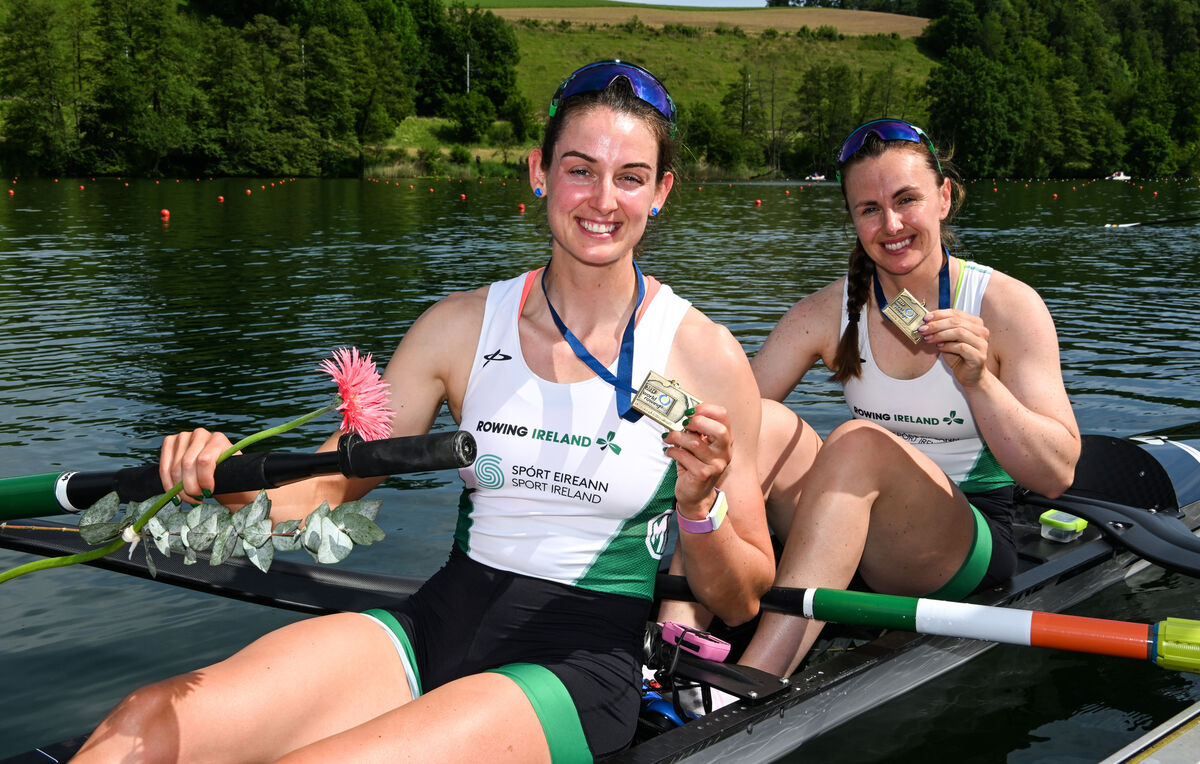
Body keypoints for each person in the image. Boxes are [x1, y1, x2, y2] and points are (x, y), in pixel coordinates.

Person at [73, 61, 775, 763]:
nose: (602, 199)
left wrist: (699, 503)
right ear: (539, 172)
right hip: (441, 619)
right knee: (145, 726)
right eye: (579, 169)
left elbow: (741, 598)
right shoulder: (458, 327)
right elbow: (329, 484)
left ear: (661, 192)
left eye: (630, 177)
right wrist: (223, 475)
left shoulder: (703, 354)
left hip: (578, 667)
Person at [736, 118, 1081, 678]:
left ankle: (752, 681)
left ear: (943, 198)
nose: (890, 225)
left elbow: (1057, 475)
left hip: (964, 537)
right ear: (852, 219)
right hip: (856, 526)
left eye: (906, 200)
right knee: (764, 423)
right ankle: (683, 623)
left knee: (856, 444)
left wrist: (979, 382)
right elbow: (725, 428)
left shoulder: (1007, 306)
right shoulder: (826, 312)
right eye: (869, 209)